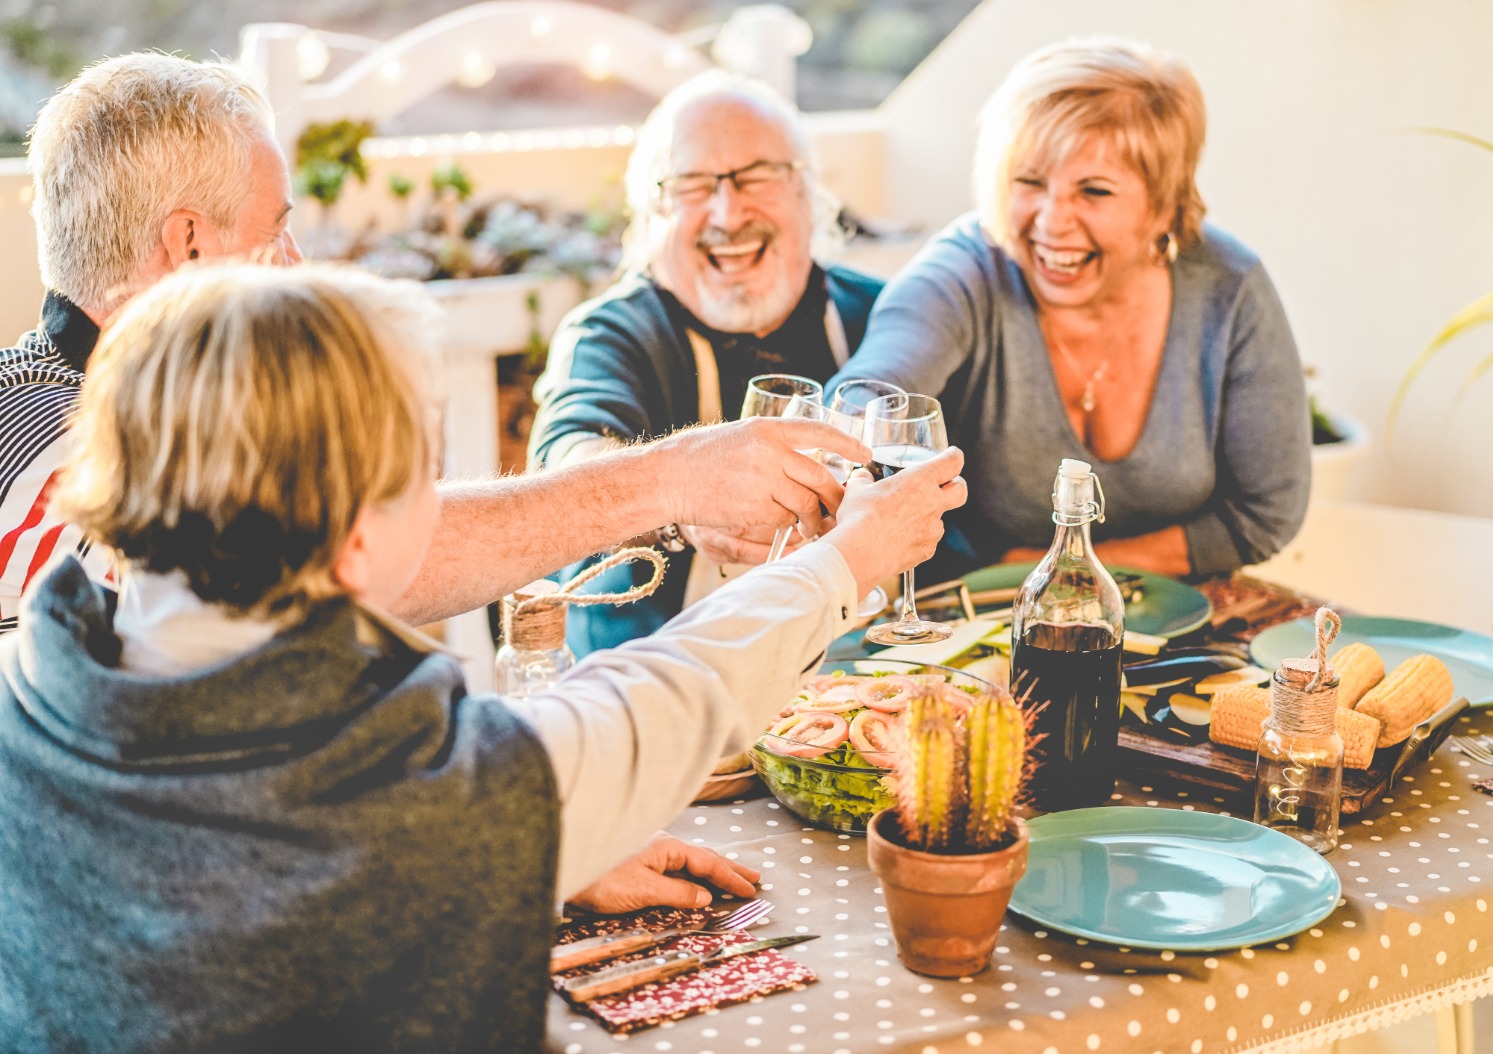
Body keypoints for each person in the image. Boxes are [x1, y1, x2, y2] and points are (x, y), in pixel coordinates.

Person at [0, 263, 965, 1051]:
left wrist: (531, 857)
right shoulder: (433, 798)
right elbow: (667, 697)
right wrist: (852, 559)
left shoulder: (25, 694)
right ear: (359, 541)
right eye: (421, 473)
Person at [3, 52, 863, 640]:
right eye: (277, 231)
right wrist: (683, 476)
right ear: (188, 245)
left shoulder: (105, 415)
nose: (298, 264)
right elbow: (365, 562)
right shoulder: (73, 477)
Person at [826, 37, 1311, 577]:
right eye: (1029, 181)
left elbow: (1262, 516)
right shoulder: (961, 271)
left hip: (1187, 614)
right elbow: (872, 392)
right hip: (978, 614)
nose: (1052, 222)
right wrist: (842, 440)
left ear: (1165, 205)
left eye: (1094, 191)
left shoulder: (1229, 286)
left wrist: (1050, 568)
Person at [530, 69, 885, 655]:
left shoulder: (876, 312)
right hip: (660, 688)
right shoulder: (609, 333)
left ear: (808, 193)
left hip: (861, 683)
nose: (727, 213)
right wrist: (681, 498)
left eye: (757, 177)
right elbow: (567, 459)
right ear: (651, 214)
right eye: (692, 185)